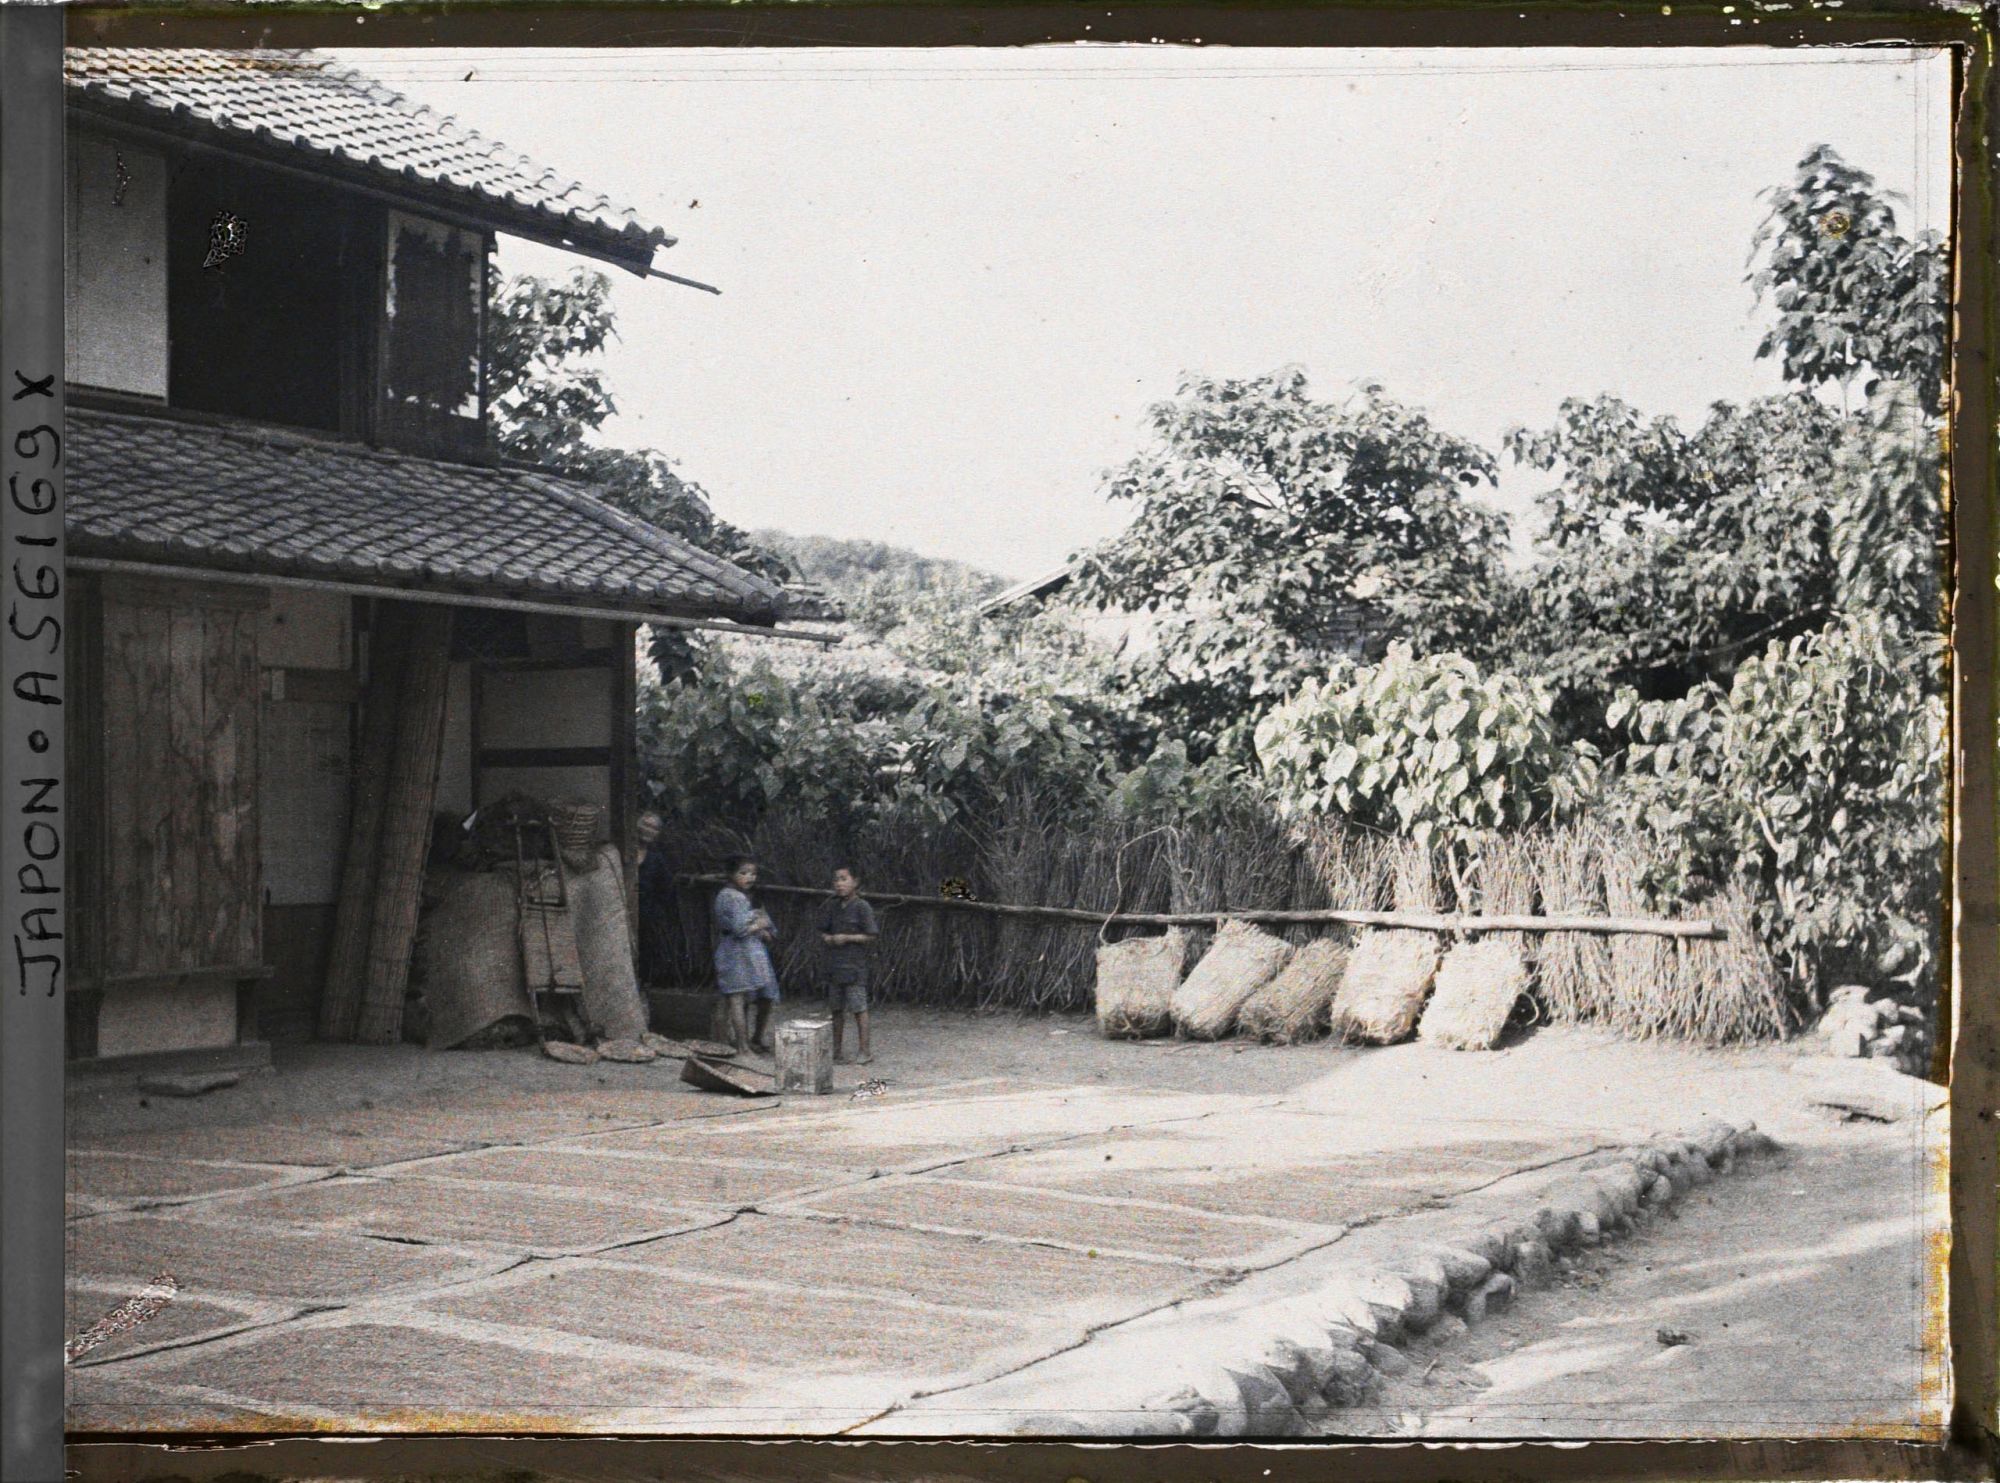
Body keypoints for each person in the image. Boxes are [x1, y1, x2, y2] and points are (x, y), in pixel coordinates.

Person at [712, 855, 780, 1055]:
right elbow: (740, 929)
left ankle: (753, 1040)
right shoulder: (734, 897)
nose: (749, 877)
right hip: (737, 952)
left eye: (753, 873)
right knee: (738, 997)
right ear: (731, 874)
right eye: (743, 873)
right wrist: (762, 924)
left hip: (748, 951)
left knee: (757, 995)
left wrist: (760, 927)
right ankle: (743, 1046)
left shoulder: (736, 896)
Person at [817, 863, 878, 1065]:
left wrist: (848, 938)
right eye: (836, 880)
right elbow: (823, 930)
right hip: (835, 966)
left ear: (855, 882)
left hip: (855, 967)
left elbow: (871, 936)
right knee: (836, 1009)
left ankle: (865, 1051)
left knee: (859, 1008)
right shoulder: (832, 906)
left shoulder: (862, 907)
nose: (839, 884)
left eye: (844, 879)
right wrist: (828, 938)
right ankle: (836, 1051)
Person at [635, 811, 674, 987]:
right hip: (621, 908)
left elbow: (665, 889)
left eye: (654, 828)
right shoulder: (623, 853)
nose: (649, 830)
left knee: (645, 950)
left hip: (646, 913)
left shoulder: (656, 859)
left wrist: (655, 911)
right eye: (645, 824)